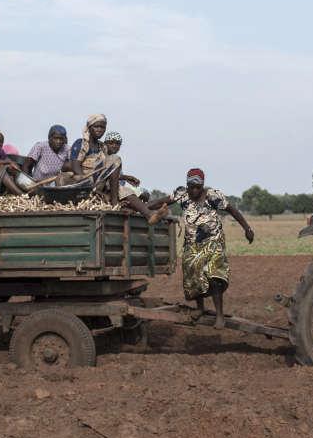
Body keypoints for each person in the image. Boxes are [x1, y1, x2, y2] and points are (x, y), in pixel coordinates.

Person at [151, 168, 255, 327]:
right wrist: (142, 206)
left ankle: (219, 315)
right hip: (192, 244)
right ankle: (200, 308)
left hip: (213, 241)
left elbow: (232, 210)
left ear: (202, 185)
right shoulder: (182, 194)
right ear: (187, 185)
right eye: (191, 187)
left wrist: (247, 229)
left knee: (214, 276)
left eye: (197, 187)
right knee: (194, 275)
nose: (193, 190)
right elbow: (160, 202)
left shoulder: (213, 196)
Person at [97, 133, 161, 221]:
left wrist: (126, 177)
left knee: (144, 194)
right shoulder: (102, 156)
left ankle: (148, 210)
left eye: (117, 144)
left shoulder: (114, 158)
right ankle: (149, 213)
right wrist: (126, 177)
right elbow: (105, 175)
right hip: (106, 187)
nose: (114, 146)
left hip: (116, 187)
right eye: (111, 143)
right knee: (127, 192)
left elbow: (115, 176)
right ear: (105, 144)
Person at [68, 113, 108, 179]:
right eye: (96, 126)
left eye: (102, 127)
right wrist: (87, 181)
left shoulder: (103, 147)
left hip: (99, 179)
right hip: (83, 179)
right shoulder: (81, 144)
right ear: (89, 127)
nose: (99, 130)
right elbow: (75, 166)